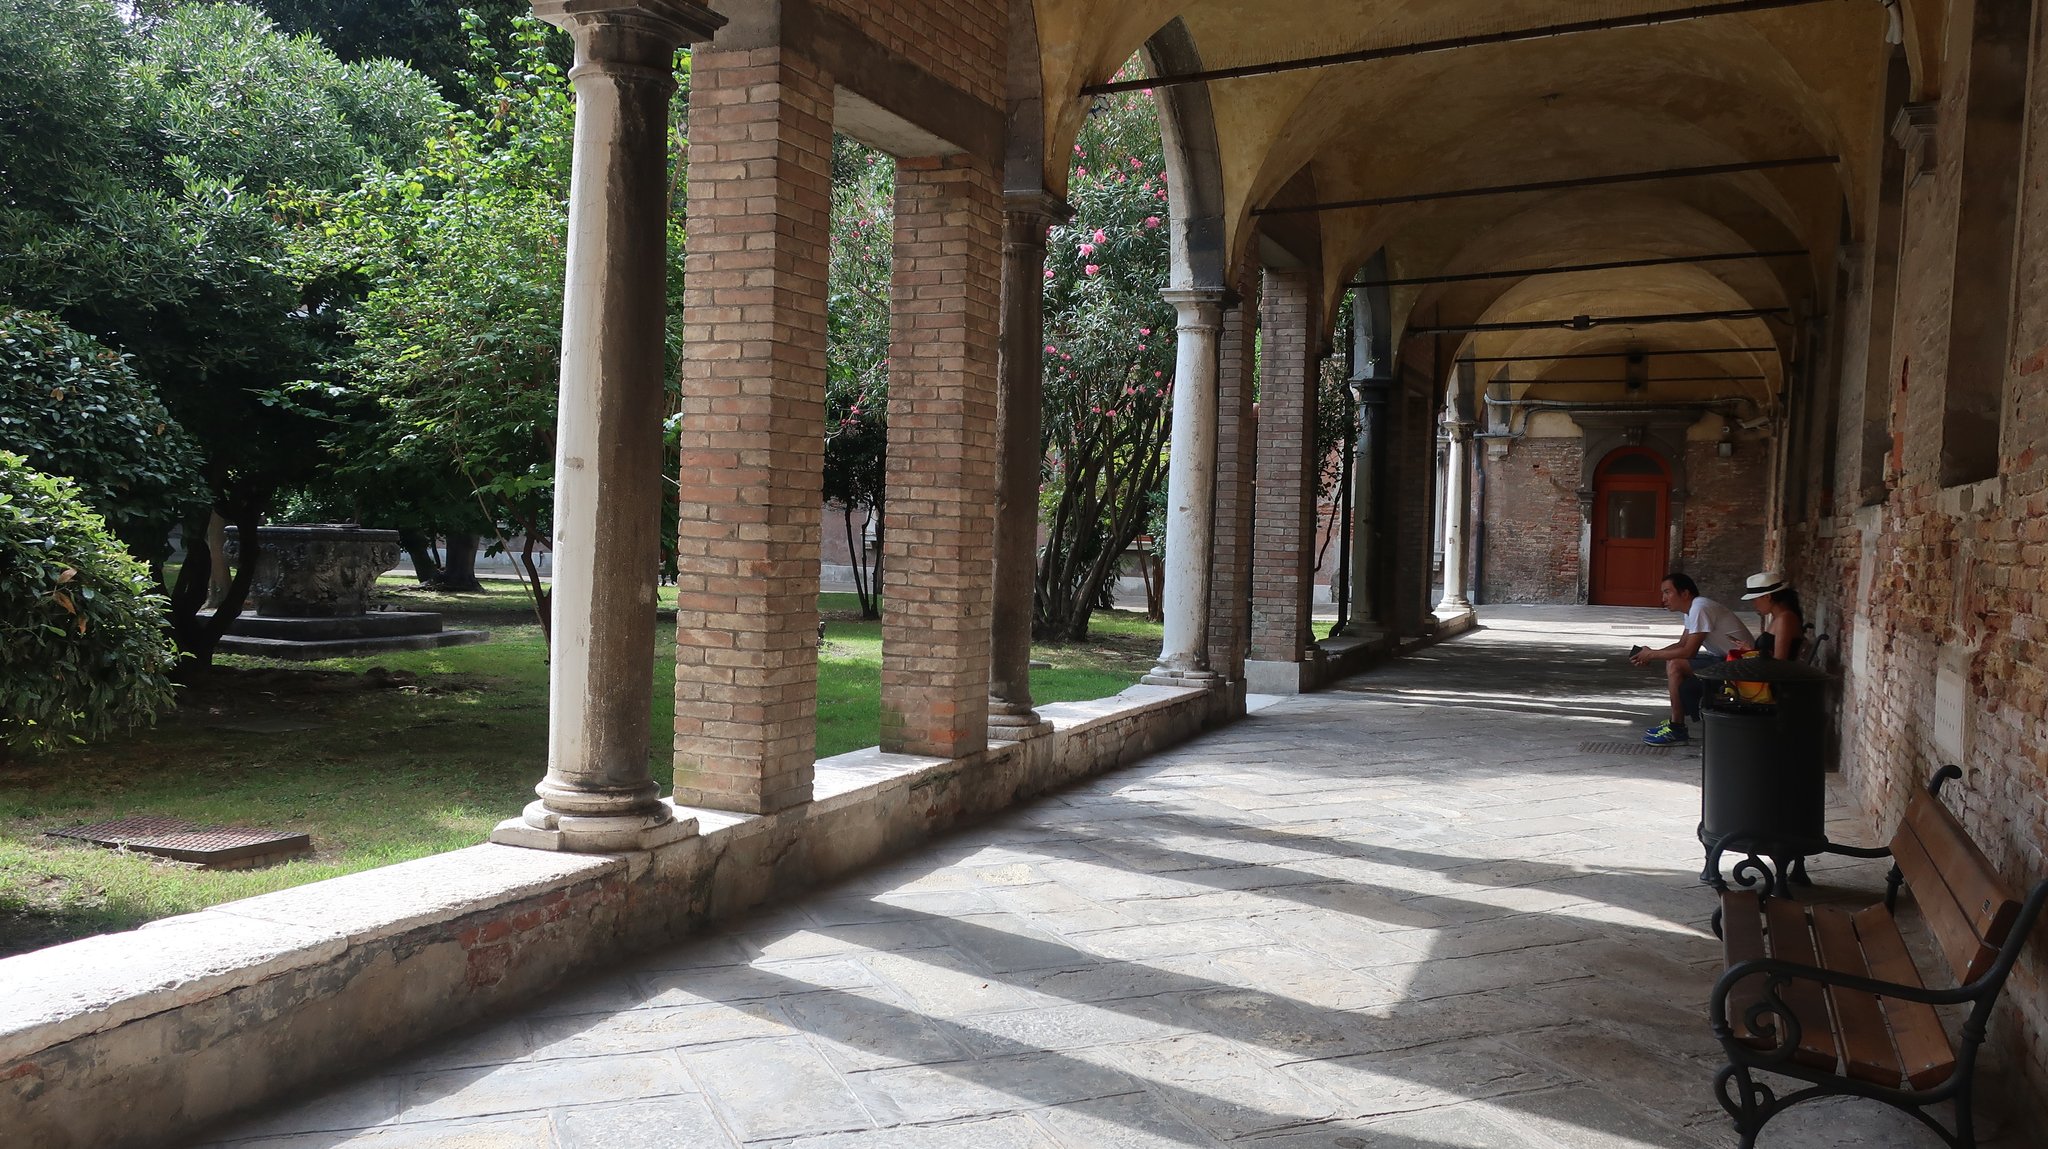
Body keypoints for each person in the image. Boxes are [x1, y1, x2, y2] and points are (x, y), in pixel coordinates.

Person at [1629, 571, 1754, 745]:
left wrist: (1652, 654)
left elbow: (1689, 652)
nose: (1663, 598)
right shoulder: (1692, 610)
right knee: (1673, 662)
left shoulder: (1699, 608)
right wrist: (1650, 654)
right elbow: (1682, 644)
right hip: (1726, 660)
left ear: (1685, 593)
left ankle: (1677, 727)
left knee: (1675, 665)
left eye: (1667, 592)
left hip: (1741, 666)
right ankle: (1676, 723)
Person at [1735, 571, 1805, 661]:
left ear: (1767, 597)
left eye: (1754, 600)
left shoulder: (1785, 619)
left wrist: (1752, 654)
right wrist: (1750, 651)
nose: (1754, 605)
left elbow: (1779, 661)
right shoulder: (1778, 617)